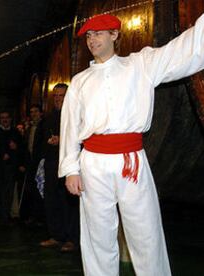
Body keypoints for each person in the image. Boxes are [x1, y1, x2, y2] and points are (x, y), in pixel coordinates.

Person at [59, 13, 204, 275]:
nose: (92, 39)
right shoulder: (79, 82)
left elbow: (183, 49)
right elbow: (69, 127)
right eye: (89, 35)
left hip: (132, 160)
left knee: (145, 230)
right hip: (93, 163)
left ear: (115, 35)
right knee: (98, 235)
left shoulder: (141, 65)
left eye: (99, 33)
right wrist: (71, 169)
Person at [40, 83, 79, 252]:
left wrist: (61, 140)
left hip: (69, 166)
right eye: (55, 96)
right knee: (51, 200)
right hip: (51, 164)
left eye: (61, 96)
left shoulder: (74, 115)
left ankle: (72, 238)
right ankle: (56, 235)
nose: (57, 99)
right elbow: (40, 141)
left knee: (68, 202)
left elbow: (80, 138)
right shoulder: (48, 117)